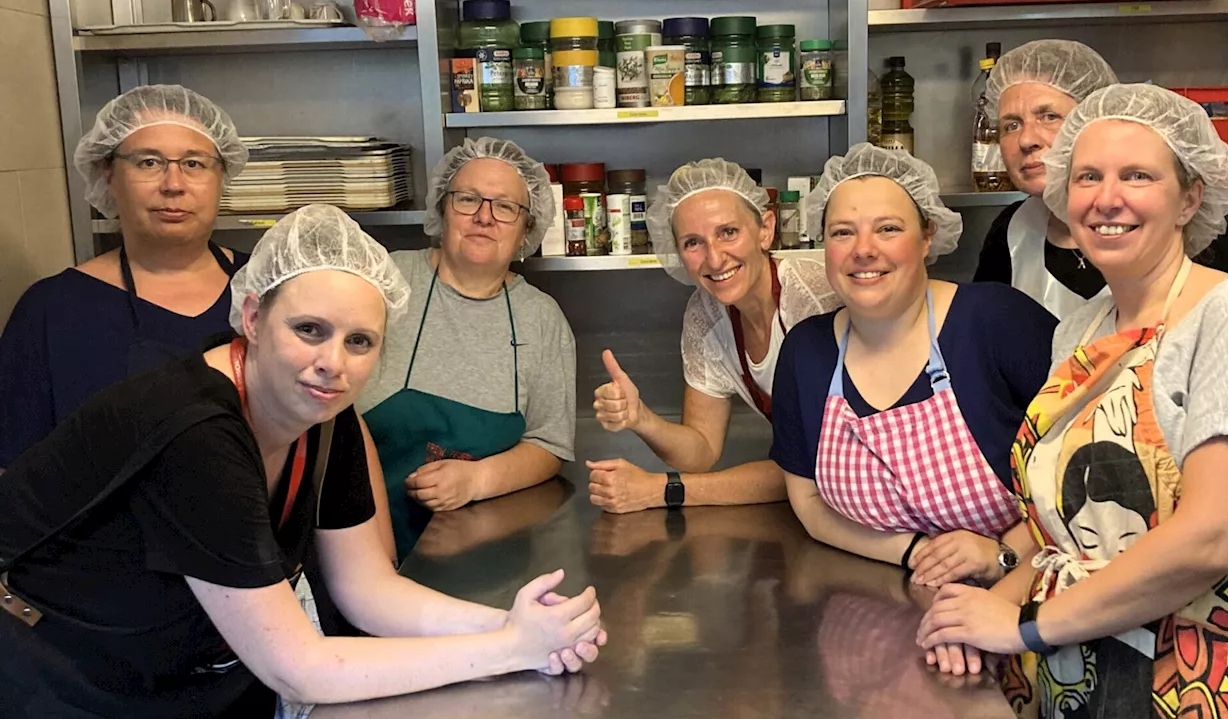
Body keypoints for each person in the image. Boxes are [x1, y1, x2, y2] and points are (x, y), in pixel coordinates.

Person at [0, 204, 606, 718]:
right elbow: (300, 669)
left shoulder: (323, 418)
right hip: (58, 668)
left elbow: (366, 589)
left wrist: (517, 627)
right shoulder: (195, 429)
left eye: (359, 341)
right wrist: (510, 652)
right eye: (310, 329)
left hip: (178, 665)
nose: (333, 363)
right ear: (253, 318)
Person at [916, 84, 1228, 717]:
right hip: (1085, 658)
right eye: (1087, 176)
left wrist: (1021, 627)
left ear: (1189, 196)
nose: (1106, 199)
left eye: (1136, 175)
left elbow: (1213, 537)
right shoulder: (1078, 330)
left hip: (1213, 671)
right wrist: (970, 617)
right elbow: (1059, 530)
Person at [771, 144, 1058, 590]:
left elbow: (1086, 469)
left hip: (1029, 593)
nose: (863, 250)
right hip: (876, 608)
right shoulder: (806, 352)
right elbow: (809, 504)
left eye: (888, 229)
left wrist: (1003, 553)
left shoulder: (995, 321)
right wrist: (917, 552)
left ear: (927, 237)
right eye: (842, 232)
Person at [0, 84, 252, 468]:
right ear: (108, 175)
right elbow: (15, 476)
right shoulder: (51, 310)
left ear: (223, 177)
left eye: (194, 163)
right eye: (148, 162)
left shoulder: (272, 290)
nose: (173, 184)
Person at [356, 137, 575, 559]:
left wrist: (476, 480)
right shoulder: (385, 281)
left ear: (527, 229)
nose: (484, 217)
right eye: (468, 199)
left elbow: (550, 444)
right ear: (441, 208)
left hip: (484, 552)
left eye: (505, 206)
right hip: (356, 535)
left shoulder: (542, 319)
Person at [586, 158, 840, 514]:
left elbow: (817, 464)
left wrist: (663, 490)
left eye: (728, 232)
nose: (715, 259)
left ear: (765, 229)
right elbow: (702, 449)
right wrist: (641, 417)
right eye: (693, 242)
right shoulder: (705, 315)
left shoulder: (815, 301)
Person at [972, 39, 1228, 319]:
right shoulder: (1010, 233)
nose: (1026, 140)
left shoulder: (1202, 241)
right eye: (1010, 125)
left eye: (1048, 116)